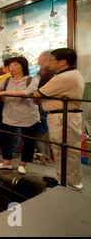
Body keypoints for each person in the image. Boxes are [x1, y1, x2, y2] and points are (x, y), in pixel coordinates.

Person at [33, 48, 85, 190]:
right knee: (61, 150)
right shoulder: (67, 74)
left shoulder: (64, 77)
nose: (49, 63)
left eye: (52, 60)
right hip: (61, 115)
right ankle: (61, 179)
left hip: (64, 116)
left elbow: (37, 94)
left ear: (63, 62)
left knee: (68, 152)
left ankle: (72, 185)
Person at [0, 56, 40, 175]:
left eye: (16, 64)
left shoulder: (31, 79)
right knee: (4, 138)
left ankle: (23, 164)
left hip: (28, 116)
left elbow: (27, 92)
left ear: (23, 66)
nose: (12, 67)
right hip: (9, 115)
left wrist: (3, 93)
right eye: (11, 65)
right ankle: (7, 162)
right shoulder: (7, 80)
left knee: (28, 141)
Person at [34, 50, 55, 165]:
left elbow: (41, 89)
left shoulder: (47, 72)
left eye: (40, 57)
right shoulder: (44, 71)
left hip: (43, 104)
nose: (38, 58)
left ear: (46, 58)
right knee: (44, 130)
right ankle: (46, 155)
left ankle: (44, 156)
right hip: (43, 104)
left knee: (42, 130)